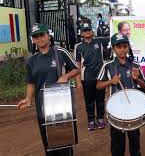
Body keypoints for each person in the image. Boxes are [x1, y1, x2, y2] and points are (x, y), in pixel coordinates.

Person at [17, 23, 80, 156]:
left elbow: (76, 69)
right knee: (48, 142)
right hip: (42, 106)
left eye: (42, 35)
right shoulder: (32, 61)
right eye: (36, 37)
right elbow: (31, 82)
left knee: (64, 140)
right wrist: (28, 98)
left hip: (61, 104)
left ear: (49, 36)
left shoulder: (60, 53)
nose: (39, 39)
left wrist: (66, 76)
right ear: (33, 40)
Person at [96, 33, 145, 156]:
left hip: (133, 109)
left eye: (125, 46)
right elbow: (98, 86)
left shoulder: (135, 66)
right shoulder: (108, 66)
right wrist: (110, 81)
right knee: (117, 145)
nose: (122, 49)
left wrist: (137, 78)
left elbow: (144, 85)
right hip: (116, 111)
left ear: (128, 47)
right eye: (119, 47)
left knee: (135, 142)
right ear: (113, 49)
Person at [74, 23, 109, 131]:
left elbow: (112, 37)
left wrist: (111, 20)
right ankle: (91, 120)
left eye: (89, 30)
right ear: (81, 33)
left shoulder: (100, 42)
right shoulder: (78, 47)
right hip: (87, 78)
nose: (87, 32)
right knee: (89, 101)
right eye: (85, 30)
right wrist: (78, 81)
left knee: (100, 99)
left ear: (93, 32)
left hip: (100, 77)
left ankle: (100, 119)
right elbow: (77, 65)